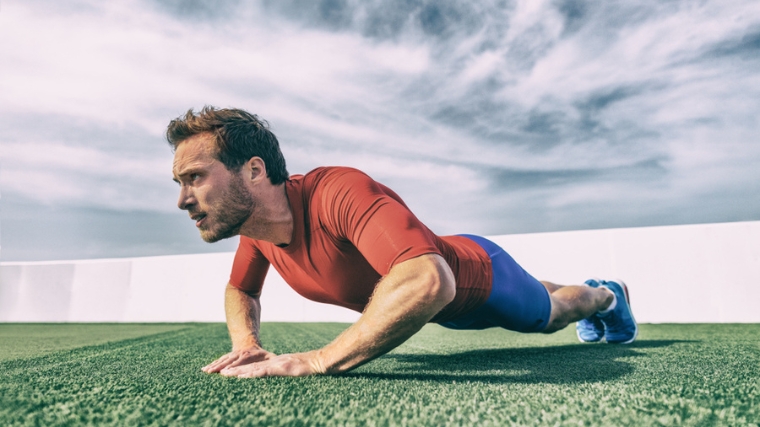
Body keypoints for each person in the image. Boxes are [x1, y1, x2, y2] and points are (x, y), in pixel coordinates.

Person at [166, 106, 638, 378]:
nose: (184, 200)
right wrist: (246, 342)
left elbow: (430, 280)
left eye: (195, 178)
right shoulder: (258, 234)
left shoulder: (335, 192)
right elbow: (241, 290)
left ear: (253, 170)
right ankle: (581, 290)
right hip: (441, 283)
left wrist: (319, 359)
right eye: (179, 183)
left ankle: (605, 294)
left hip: (478, 278)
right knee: (542, 287)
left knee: (552, 314)